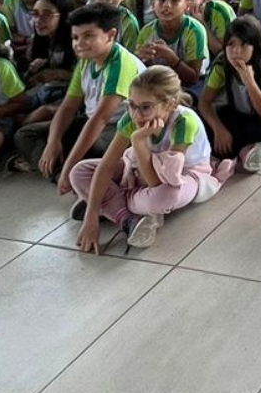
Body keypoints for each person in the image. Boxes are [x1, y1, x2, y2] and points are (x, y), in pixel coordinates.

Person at [71, 65, 230, 254]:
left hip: (184, 176)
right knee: (80, 172)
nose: (136, 115)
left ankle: (111, 203)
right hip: (142, 167)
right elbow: (107, 165)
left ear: (169, 104)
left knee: (166, 196)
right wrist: (91, 219)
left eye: (146, 107)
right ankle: (126, 217)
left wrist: (138, 142)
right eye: (131, 105)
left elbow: (156, 182)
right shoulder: (132, 119)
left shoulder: (184, 122)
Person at [14, 3, 143, 184]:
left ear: (111, 35)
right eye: (75, 37)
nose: (79, 44)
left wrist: (69, 164)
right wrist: (53, 142)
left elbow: (102, 118)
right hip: (91, 122)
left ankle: (68, 171)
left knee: (96, 148)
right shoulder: (85, 61)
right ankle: (64, 173)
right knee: (26, 135)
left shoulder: (120, 63)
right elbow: (68, 107)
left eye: (88, 36)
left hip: (122, 127)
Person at [199, 16, 261, 173]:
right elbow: (205, 102)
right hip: (239, 113)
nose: (236, 51)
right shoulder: (222, 63)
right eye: (231, 44)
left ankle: (235, 150)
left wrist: (249, 81)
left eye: (243, 45)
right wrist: (219, 129)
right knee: (199, 119)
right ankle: (245, 148)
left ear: (254, 47)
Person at [134, 0, 208, 93]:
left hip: (192, 84)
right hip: (158, 82)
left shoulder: (194, 30)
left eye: (175, 1)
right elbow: (143, 71)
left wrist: (171, 58)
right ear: (154, 4)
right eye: (162, 0)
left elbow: (193, 78)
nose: (166, 5)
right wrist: (141, 60)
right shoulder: (147, 31)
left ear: (187, 6)